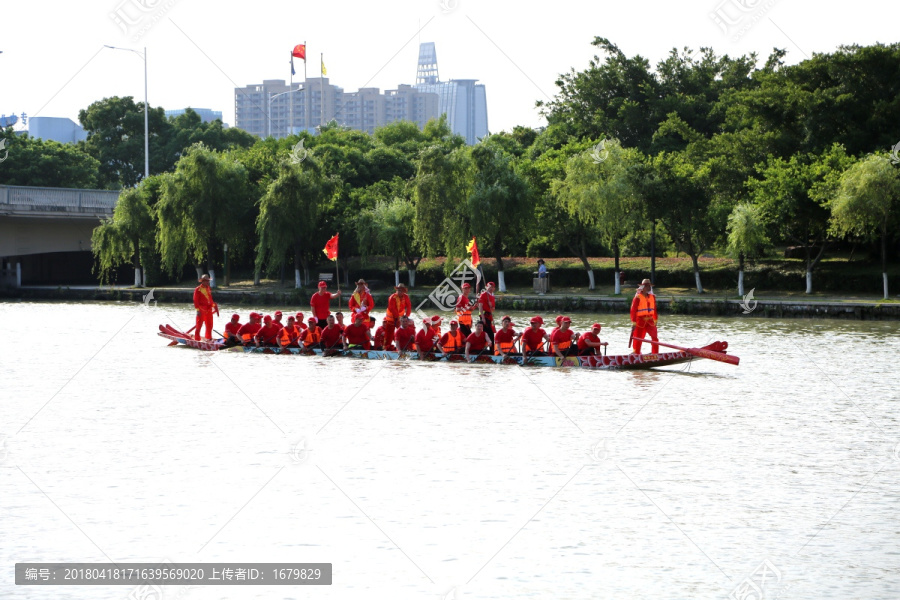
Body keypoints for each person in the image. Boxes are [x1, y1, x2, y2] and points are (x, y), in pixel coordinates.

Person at [630, 278, 659, 354]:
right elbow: (633, 310)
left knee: (655, 338)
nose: (649, 287)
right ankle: (636, 353)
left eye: (649, 286)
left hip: (650, 321)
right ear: (643, 287)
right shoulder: (637, 297)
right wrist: (633, 322)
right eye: (647, 286)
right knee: (638, 338)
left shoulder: (652, 297)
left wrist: (655, 319)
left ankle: (655, 353)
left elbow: (654, 309)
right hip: (640, 321)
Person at [384, 283, 412, 350]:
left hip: (400, 318)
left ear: (404, 291)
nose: (399, 292)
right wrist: (398, 318)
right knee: (389, 334)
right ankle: (386, 347)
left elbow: (409, 306)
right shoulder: (392, 297)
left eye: (401, 290)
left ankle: (404, 346)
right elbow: (392, 308)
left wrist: (406, 316)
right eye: (398, 290)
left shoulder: (406, 297)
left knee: (403, 332)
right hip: (391, 318)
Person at [193, 273, 218, 341]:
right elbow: (195, 300)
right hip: (201, 310)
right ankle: (197, 339)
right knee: (199, 326)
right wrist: (197, 310)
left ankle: (208, 338)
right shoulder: (198, 289)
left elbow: (210, 299)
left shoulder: (208, 288)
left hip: (209, 310)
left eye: (208, 281)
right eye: (206, 281)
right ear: (202, 281)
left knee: (209, 325)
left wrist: (213, 305)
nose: (207, 282)